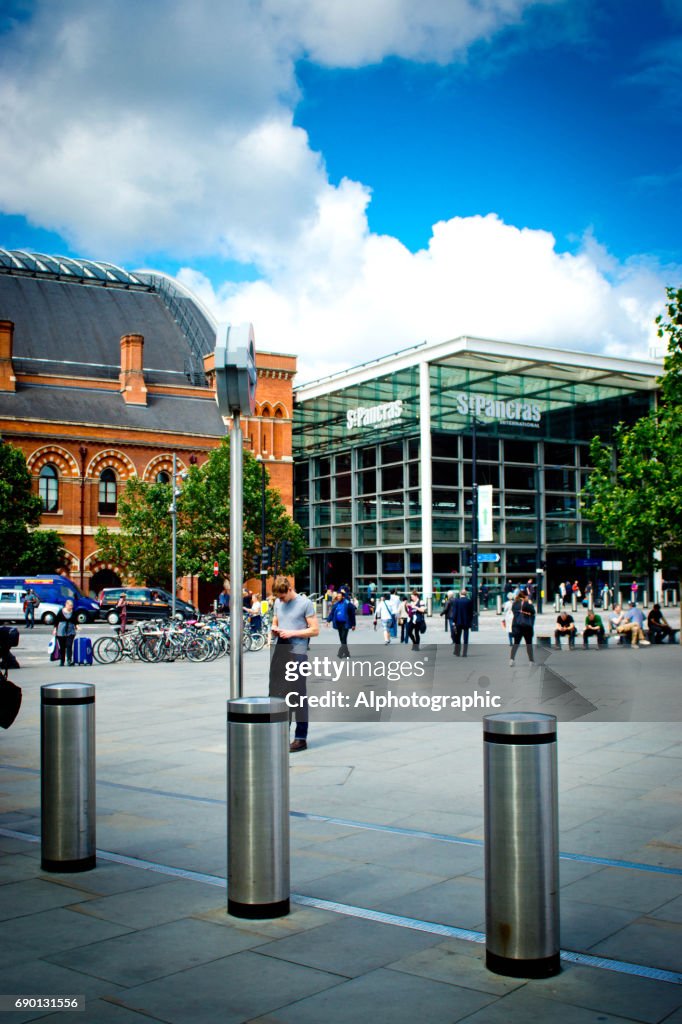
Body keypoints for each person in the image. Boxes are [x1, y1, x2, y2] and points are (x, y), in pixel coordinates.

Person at [269, 576, 320, 752]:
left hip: (298, 653)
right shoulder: (277, 602)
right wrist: (274, 631)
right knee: (279, 693)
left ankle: (300, 738)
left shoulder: (305, 603)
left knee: (298, 695)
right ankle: (282, 734)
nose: (281, 600)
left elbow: (315, 630)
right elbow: (276, 620)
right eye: (278, 598)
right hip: (281, 651)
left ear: (290, 589)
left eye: (283, 597)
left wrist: (291, 633)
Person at [509, 589, 535, 666]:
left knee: (516, 644)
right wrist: (530, 604)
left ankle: (511, 659)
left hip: (517, 626)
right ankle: (531, 661)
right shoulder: (527, 603)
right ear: (525, 596)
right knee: (529, 644)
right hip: (526, 627)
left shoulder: (515, 604)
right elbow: (533, 612)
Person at [327, 590, 356, 657]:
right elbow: (332, 613)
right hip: (338, 623)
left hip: (346, 623)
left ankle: (340, 653)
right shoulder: (336, 604)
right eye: (337, 596)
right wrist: (328, 621)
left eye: (339, 596)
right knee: (342, 639)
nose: (338, 597)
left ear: (343, 597)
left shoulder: (347, 603)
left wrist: (353, 624)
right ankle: (347, 653)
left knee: (343, 638)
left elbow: (352, 614)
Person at [53, 599, 78, 666]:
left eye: (72, 606)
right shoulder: (61, 612)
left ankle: (69, 660)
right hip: (61, 631)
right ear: (66, 605)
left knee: (69, 645)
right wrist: (55, 629)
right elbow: (56, 621)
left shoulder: (73, 612)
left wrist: (77, 626)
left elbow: (75, 620)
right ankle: (62, 661)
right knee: (62, 647)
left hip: (71, 631)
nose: (71, 607)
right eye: (70, 605)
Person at [449, 589, 474, 657]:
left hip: (458, 621)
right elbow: (471, 613)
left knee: (458, 637)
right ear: (466, 594)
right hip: (466, 622)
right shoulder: (469, 601)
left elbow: (455, 612)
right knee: (466, 638)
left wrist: (453, 620)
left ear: (460, 594)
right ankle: (464, 653)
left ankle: (457, 652)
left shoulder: (457, 601)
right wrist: (470, 621)